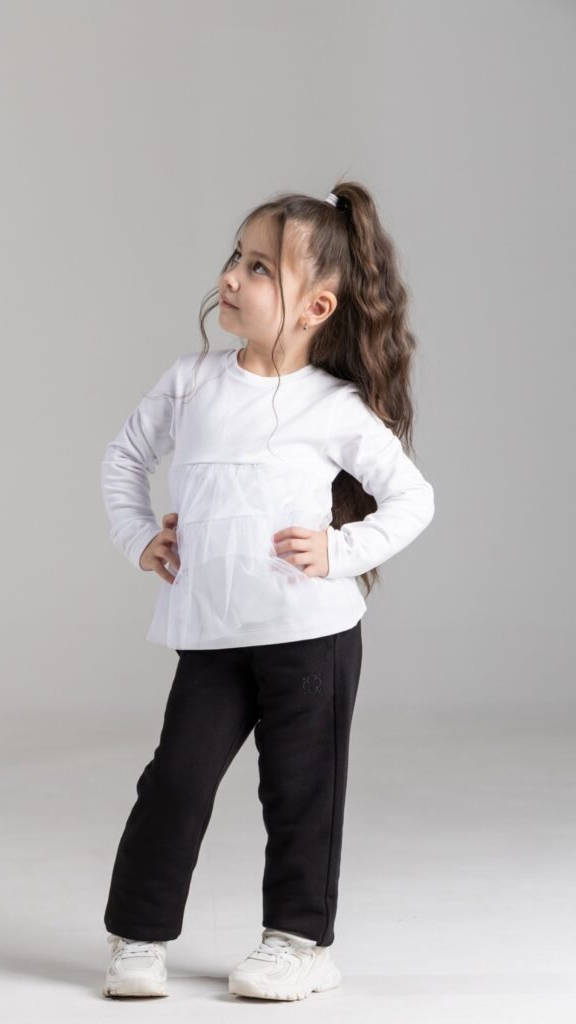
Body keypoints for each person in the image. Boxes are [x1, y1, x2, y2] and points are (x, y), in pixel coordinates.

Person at [100, 182, 435, 1001]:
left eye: (258, 268)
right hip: (213, 636)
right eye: (235, 258)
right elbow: (124, 458)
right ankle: (138, 935)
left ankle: (298, 942)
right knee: (175, 782)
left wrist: (339, 551)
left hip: (309, 636)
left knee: (299, 795)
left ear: (316, 307)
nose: (230, 277)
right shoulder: (190, 383)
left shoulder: (334, 406)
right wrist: (140, 536)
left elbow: (412, 499)